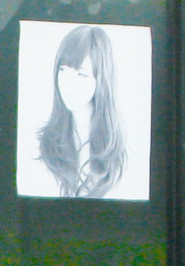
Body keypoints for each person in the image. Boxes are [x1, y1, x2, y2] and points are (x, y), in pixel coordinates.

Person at [35, 24, 126, 199]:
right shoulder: (45, 143)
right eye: (62, 70)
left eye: (81, 74)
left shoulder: (117, 148)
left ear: (102, 78)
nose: (68, 84)